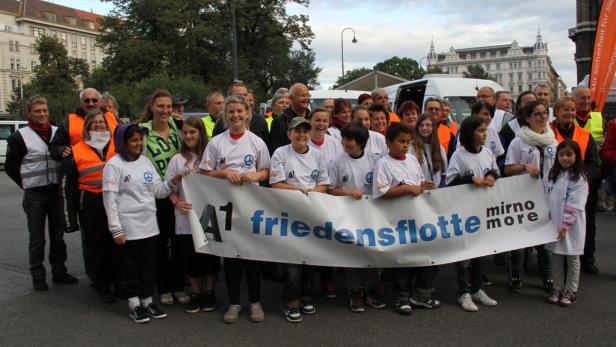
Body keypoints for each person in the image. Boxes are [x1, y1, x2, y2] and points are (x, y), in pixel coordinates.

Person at [102, 124, 183, 324]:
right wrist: (115, 229)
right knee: (130, 268)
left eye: (140, 139)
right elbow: (109, 199)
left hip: (149, 226)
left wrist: (173, 181)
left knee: (148, 267)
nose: (138, 144)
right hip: (128, 227)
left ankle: (147, 301)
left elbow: (158, 191)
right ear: (123, 142)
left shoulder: (146, 162)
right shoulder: (114, 165)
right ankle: (134, 305)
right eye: (133, 140)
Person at [200, 95, 270, 324]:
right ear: (225, 115)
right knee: (231, 258)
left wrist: (256, 175)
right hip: (225, 208)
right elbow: (204, 172)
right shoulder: (216, 142)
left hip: (251, 208)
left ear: (248, 113)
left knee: (251, 257)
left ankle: (255, 302)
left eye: (240, 111)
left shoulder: (256, 142)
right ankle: (233, 303)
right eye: (231, 112)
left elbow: (267, 171)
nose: (236, 115)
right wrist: (223, 173)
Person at [5, 95, 78, 291]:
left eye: (45, 110)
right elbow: (11, 167)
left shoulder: (57, 132)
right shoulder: (19, 137)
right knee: (37, 238)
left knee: (58, 236)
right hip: (35, 194)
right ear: (29, 113)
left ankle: (59, 272)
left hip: (56, 192)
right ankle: (38, 276)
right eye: (38, 111)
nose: (43, 114)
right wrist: (27, 184)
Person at [270, 117, 329, 323]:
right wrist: (298, 190)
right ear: (289, 134)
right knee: (293, 260)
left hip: (311, 212)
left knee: (310, 258)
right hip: (289, 212)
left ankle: (306, 295)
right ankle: (291, 300)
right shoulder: (280, 153)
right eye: (297, 131)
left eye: (305, 131)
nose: (301, 135)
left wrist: (313, 193)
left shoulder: (318, 155)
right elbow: (275, 184)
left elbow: (324, 183)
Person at [372, 123, 434, 315]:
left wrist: (423, 185)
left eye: (408, 142)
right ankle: (402, 296)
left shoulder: (412, 160)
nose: (405, 146)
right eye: (401, 141)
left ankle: (420, 294)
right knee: (403, 260)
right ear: (388, 142)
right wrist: (407, 189)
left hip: (417, 217)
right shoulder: (383, 164)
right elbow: (381, 192)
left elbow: (417, 183)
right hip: (397, 220)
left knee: (424, 257)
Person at [327, 122, 386, 312]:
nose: (344, 142)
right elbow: (330, 189)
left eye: (349, 139)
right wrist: (348, 193)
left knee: (371, 251)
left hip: (371, 214)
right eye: (343, 138)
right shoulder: (337, 162)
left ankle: (369, 290)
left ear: (360, 142)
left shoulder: (375, 160)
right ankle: (355, 292)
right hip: (348, 215)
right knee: (352, 252)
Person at [166, 117, 220, 314]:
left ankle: (209, 292)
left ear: (201, 133)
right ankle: (196, 292)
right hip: (185, 217)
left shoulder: (210, 157)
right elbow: (169, 188)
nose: (188, 136)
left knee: (210, 256)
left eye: (193, 132)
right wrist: (176, 201)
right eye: (185, 132)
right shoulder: (176, 160)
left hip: (209, 215)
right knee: (191, 257)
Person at [138, 89, 186, 306]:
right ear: (152, 107)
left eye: (169, 106)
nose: (166, 110)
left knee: (179, 243)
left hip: (179, 193)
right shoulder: (142, 131)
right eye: (161, 106)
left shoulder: (178, 128)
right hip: (156, 195)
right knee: (159, 244)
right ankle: (163, 287)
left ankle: (178, 285)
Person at [445, 116, 499, 312]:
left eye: (485, 130)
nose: (485, 134)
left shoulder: (487, 152)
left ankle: (477, 288)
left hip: (482, 209)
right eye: (480, 131)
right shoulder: (459, 155)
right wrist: (468, 178)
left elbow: (494, 170)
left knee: (480, 251)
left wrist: (492, 176)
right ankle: (463, 292)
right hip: (465, 212)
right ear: (469, 133)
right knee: (464, 253)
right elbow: (449, 181)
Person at [504, 101, 558, 293]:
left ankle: (548, 276)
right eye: (538, 114)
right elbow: (508, 168)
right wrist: (525, 167)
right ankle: (517, 275)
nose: (543, 117)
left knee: (545, 240)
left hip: (547, 197)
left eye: (545, 113)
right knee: (520, 239)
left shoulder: (552, 140)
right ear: (528, 118)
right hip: (524, 198)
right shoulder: (518, 141)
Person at [71, 110, 118, 303]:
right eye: (94, 123)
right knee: (96, 245)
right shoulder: (76, 150)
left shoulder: (116, 145)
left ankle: (119, 281)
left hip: (115, 200)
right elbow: (69, 186)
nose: (99, 125)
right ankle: (102, 285)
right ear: (87, 126)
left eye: (102, 122)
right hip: (91, 201)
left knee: (115, 243)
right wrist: (71, 215)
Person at [544, 140, 589, 306]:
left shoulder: (579, 179)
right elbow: (544, 195)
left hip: (571, 225)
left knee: (572, 258)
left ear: (577, 156)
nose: (565, 158)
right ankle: (557, 287)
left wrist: (565, 226)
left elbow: (575, 204)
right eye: (561, 154)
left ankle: (571, 290)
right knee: (555, 256)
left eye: (569, 154)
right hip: (554, 222)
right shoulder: (552, 174)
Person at [573, 87, 604, 274]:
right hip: (570, 181)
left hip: (590, 179)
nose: (586, 101)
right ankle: (571, 258)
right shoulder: (568, 118)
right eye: (582, 98)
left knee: (589, 221)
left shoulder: (600, 119)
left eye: (589, 98)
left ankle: (588, 258)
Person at [268, 83, 311, 154]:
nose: (306, 98)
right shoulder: (279, 122)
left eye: (308, 95)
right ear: (291, 98)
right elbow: (275, 152)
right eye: (302, 95)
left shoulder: (313, 119)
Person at [411, 113, 448, 188]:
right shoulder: (411, 148)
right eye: (421, 125)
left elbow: (444, 173)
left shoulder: (440, 148)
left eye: (428, 125)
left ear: (433, 127)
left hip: (436, 192)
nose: (424, 128)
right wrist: (420, 185)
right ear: (417, 128)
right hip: (418, 192)